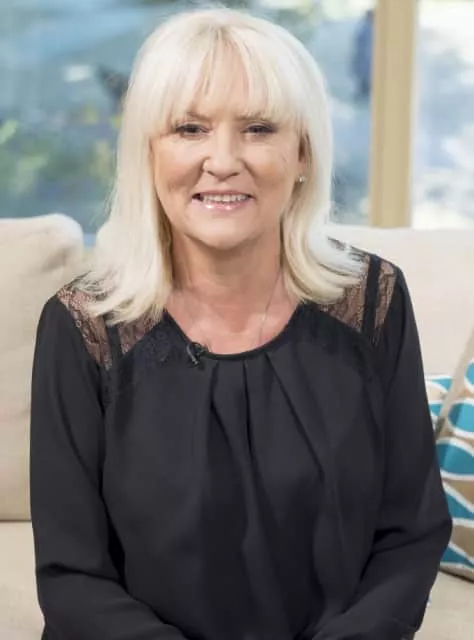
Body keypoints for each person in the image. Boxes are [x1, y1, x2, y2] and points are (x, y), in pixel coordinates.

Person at [30, 7, 451, 640]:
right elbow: (71, 577)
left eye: (258, 128)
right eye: (190, 128)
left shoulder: (373, 302)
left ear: (302, 152)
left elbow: (411, 533)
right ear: (148, 153)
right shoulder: (82, 327)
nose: (222, 160)